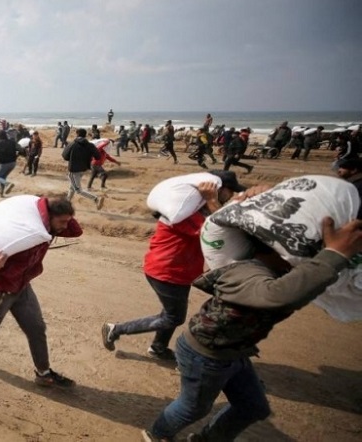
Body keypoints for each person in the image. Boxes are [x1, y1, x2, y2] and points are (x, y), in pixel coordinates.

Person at [142, 217, 362, 442]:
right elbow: (279, 296)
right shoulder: (248, 271)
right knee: (193, 408)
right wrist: (333, 256)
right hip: (206, 354)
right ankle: (157, 435)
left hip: (234, 351)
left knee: (253, 407)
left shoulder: (273, 270)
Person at [102, 172, 248, 360]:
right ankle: (116, 329)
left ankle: (158, 348)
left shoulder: (194, 210)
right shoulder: (186, 215)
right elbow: (220, 231)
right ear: (216, 190)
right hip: (167, 272)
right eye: (229, 191)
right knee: (174, 317)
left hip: (176, 271)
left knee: (170, 312)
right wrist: (212, 200)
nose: (231, 195)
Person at [0, 196, 82, 387]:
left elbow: (76, 232)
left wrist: (52, 209)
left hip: (22, 287)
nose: (65, 226)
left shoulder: (47, 228)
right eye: (62, 221)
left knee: (36, 329)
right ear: (50, 217)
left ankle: (43, 374)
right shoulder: (19, 231)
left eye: (67, 221)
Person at [63, 128, 104, 208]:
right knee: (72, 187)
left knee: (78, 190)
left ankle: (95, 199)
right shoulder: (90, 145)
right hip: (83, 169)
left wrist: (72, 158)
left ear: (77, 134)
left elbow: (65, 156)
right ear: (85, 135)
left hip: (73, 169)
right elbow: (98, 156)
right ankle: (67, 203)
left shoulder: (72, 144)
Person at [0, 130, 18, 197]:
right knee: (2, 177)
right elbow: (20, 148)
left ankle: (8, 184)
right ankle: (1, 193)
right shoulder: (12, 141)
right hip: (13, 163)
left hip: (3, 163)